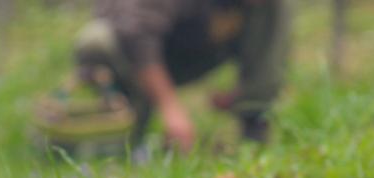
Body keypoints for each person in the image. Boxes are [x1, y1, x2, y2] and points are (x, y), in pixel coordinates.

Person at [74, 0, 291, 155]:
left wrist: (247, 92)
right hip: (133, 51)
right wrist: (171, 108)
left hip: (194, 45)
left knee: (273, 5)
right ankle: (115, 134)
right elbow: (136, 34)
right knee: (95, 41)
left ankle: (253, 134)